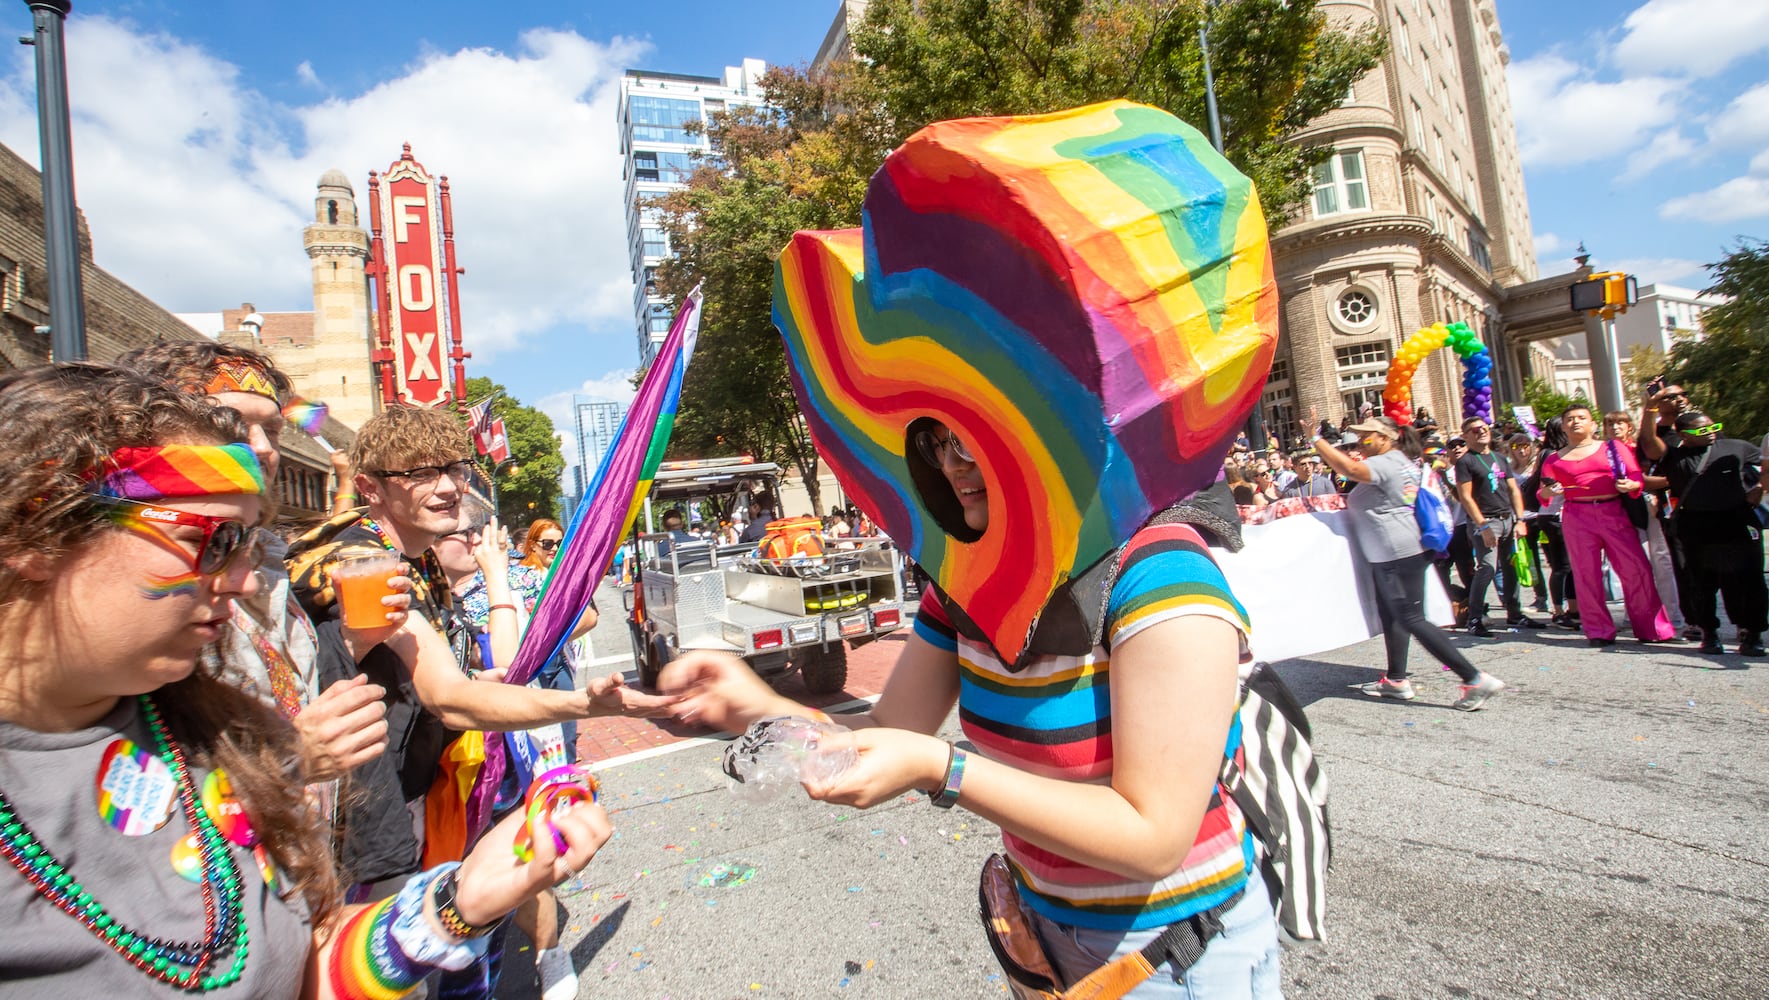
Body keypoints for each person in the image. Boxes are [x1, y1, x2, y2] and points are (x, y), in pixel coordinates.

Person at [0, 364, 612, 996]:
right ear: (37, 532)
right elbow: (448, 695)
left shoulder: (206, 728)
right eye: (208, 542)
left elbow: (291, 960)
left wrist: (455, 905)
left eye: (246, 545)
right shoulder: (353, 558)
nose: (242, 581)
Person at [284, 406, 670, 892]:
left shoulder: (415, 556)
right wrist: (586, 705)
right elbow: (447, 698)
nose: (448, 487)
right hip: (359, 821)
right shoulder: (365, 563)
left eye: (454, 469)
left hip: (414, 791)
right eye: (420, 473)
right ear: (369, 488)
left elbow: (443, 680)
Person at [115, 341, 388, 785]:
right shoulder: (141, 581)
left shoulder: (268, 560)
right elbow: (142, 788)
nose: (261, 448)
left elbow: (286, 691)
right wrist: (293, 760)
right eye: (232, 423)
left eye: (274, 430)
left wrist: (355, 642)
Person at [1313, 415, 1504, 710]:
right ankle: (1396, 680)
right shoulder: (1401, 460)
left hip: (1394, 553)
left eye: (1367, 437)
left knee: (1411, 618)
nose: (1362, 442)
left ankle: (1474, 678)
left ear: (1385, 439)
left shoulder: (1386, 462)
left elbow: (1348, 468)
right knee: (1394, 614)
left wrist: (1316, 440)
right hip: (1400, 550)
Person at [1539, 404, 1675, 646]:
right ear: (1563, 426)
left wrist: (1632, 486)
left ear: (1592, 425)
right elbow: (1543, 493)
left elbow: (1634, 475)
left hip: (1613, 510)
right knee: (1585, 574)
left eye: (1581, 417)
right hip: (1576, 515)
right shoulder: (1553, 459)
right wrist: (1550, 490)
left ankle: (1651, 627)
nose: (1575, 422)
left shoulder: (1612, 447)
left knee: (1637, 569)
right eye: (1569, 419)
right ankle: (1599, 630)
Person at [1657, 411, 1766, 656]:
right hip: (1696, 523)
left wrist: (1759, 487)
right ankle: (1709, 633)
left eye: (1713, 426)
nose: (1710, 432)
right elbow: (1649, 444)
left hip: (1737, 519)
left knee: (1750, 579)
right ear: (1684, 435)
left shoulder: (1736, 447)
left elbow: (1766, 465)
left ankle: (1753, 633)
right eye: (1701, 430)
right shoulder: (1674, 455)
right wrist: (1652, 410)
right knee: (1701, 583)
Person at [1453, 417, 1544, 636]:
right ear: (1465, 436)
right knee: (1487, 568)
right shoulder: (1466, 462)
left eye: (1483, 428)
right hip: (1486, 521)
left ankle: (1515, 613)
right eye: (1474, 430)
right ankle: (1474, 619)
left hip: (1507, 520)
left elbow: (1513, 490)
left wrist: (1520, 519)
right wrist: (1482, 525)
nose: (1481, 432)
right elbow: (1465, 497)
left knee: (1511, 567)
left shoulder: (1500, 458)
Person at [1606, 410, 1685, 634]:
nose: (1615, 428)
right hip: (1618, 511)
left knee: (1661, 560)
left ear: (1629, 426)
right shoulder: (1603, 451)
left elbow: (1652, 474)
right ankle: (1636, 613)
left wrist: (1638, 483)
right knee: (1632, 565)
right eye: (1610, 424)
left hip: (1649, 506)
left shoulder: (1639, 448)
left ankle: (1673, 615)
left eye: (1620, 423)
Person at [1636, 383, 1699, 634]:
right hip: (1677, 510)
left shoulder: (1704, 426)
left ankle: (1743, 623)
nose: (1679, 399)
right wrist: (1650, 406)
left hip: (1716, 507)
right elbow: (1646, 464)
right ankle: (1695, 621)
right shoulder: (1659, 435)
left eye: (1683, 394)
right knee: (1683, 567)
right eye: (1671, 397)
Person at [1522, 416, 1580, 630]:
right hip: (1553, 514)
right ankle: (1558, 610)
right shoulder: (1551, 454)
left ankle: (1573, 609)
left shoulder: (1553, 453)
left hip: (1557, 514)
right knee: (1561, 565)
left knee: (1569, 565)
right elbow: (1552, 486)